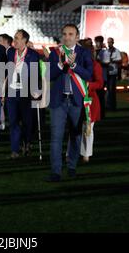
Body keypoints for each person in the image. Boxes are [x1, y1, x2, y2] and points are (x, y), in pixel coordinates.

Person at [46, 24, 93, 182]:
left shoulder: (84, 53)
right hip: (58, 101)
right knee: (56, 138)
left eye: (71, 34)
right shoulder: (55, 53)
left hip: (76, 101)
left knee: (76, 136)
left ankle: (72, 166)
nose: (67, 37)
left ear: (77, 37)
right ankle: (56, 171)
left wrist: (73, 65)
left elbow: (88, 75)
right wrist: (61, 64)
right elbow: (49, 76)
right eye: (65, 34)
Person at [67, 39, 103, 163]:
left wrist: (87, 85)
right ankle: (71, 152)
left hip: (89, 101)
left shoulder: (95, 65)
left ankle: (86, 154)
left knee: (87, 128)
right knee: (73, 127)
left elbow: (100, 83)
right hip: (75, 99)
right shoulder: (73, 65)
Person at [6, 29, 40, 158]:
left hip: (26, 91)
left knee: (26, 121)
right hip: (12, 91)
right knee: (13, 122)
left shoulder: (33, 55)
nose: (14, 40)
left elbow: (35, 74)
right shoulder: (10, 53)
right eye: (14, 38)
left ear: (25, 40)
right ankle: (15, 149)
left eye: (17, 38)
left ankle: (27, 143)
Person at [100, 37, 121, 111]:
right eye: (108, 42)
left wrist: (113, 60)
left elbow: (119, 61)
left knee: (111, 90)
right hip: (106, 73)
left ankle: (112, 106)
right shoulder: (105, 51)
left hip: (113, 73)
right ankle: (107, 105)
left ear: (113, 42)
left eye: (110, 42)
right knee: (106, 90)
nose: (109, 44)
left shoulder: (117, 51)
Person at [94, 36, 106, 118]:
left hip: (102, 76)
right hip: (94, 76)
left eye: (99, 42)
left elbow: (106, 63)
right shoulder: (94, 51)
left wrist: (98, 62)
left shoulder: (105, 52)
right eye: (96, 42)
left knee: (100, 96)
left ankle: (101, 113)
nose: (97, 43)